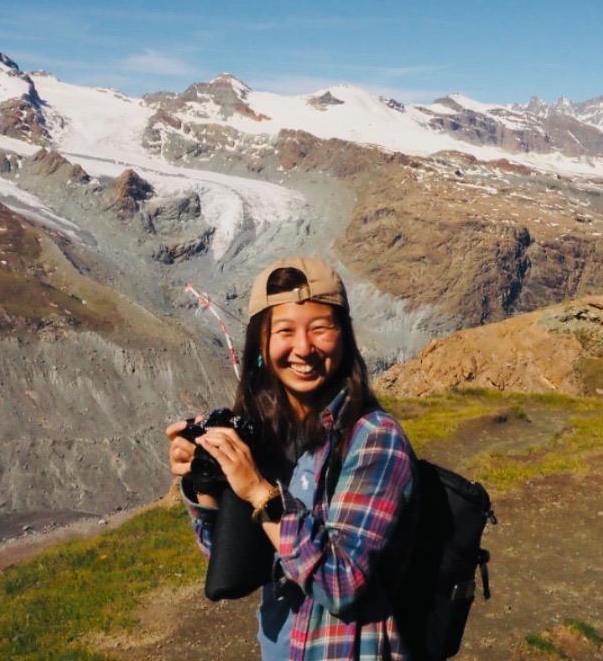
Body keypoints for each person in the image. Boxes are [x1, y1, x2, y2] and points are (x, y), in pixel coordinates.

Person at [165, 257, 416, 660]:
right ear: (261, 345)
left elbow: (341, 583)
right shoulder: (268, 435)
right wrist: (207, 487)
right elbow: (235, 561)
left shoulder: (375, 439)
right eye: (284, 331)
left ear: (344, 338)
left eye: (320, 328)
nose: (303, 348)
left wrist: (259, 493)